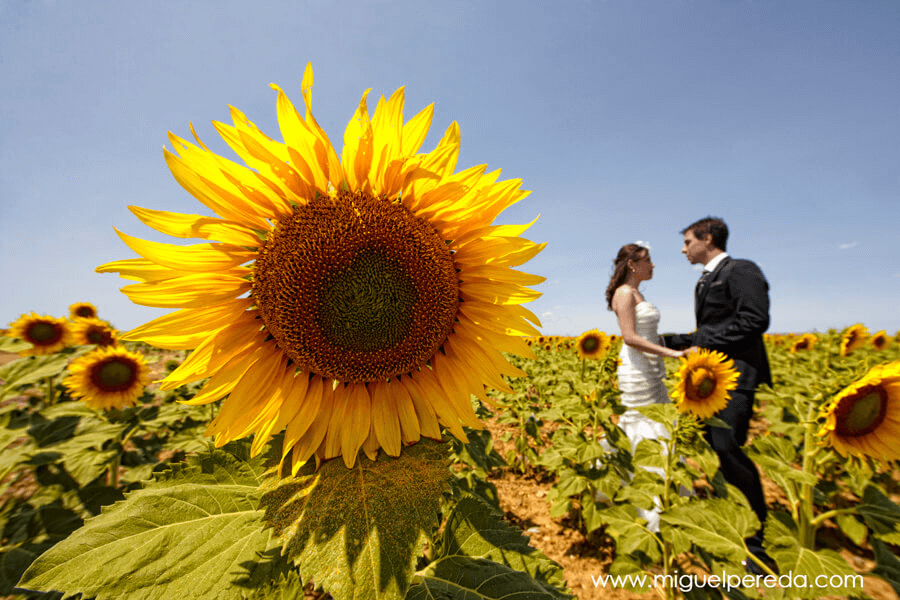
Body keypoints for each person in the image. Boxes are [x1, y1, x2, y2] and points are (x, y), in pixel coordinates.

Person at [660, 217, 773, 572]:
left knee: (728, 448)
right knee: (715, 451)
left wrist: (699, 341)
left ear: (707, 239)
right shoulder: (705, 281)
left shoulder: (740, 270)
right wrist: (669, 342)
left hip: (736, 374)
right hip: (712, 379)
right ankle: (727, 526)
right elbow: (709, 330)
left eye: (688, 241)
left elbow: (754, 319)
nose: (683, 249)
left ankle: (757, 542)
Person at [605, 242, 685, 532]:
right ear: (631, 264)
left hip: (651, 368)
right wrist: (673, 354)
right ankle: (649, 508)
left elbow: (649, 333)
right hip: (636, 369)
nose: (653, 265)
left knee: (659, 424)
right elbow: (629, 337)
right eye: (647, 260)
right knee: (643, 426)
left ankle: (663, 497)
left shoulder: (637, 293)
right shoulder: (624, 293)